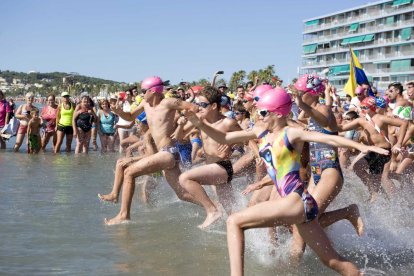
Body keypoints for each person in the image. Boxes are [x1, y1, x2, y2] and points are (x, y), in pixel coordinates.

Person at [186, 88, 387, 275]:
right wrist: (199, 123)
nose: (259, 116)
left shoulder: (290, 133)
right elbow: (224, 137)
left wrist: (361, 147)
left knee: (234, 221)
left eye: (264, 113)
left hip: (296, 201)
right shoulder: (260, 132)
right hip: (300, 205)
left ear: (279, 113)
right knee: (334, 262)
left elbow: (329, 139)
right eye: (258, 112)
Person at [102, 76, 201, 225]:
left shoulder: (168, 102)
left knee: (129, 171)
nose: (141, 94)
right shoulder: (145, 104)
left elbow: (194, 108)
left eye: (143, 91)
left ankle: (124, 214)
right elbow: (129, 117)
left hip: (169, 152)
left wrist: (183, 124)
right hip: (163, 153)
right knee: (182, 194)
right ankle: (214, 206)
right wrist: (118, 111)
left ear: (153, 91)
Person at [179, 86, 241, 228]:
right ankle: (250, 234)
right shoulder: (201, 120)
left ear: (213, 106)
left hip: (222, 168)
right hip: (211, 168)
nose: (199, 107)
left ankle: (212, 211)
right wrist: (181, 124)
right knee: (231, 212)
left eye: (203, 104)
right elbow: (181, 135)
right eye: (198, 104)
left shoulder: (228, 122)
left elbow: (246, 138)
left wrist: (231, 146)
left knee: (185, 178)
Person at [340, 96, 408, 201]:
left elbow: (403, 123)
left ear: (372, 108)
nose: (362, 109)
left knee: (384, 179)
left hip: (384, 152)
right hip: (373, 151)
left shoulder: (380, 118)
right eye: (361, 107)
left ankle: (397, 201)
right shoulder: (361, 121)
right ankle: (374, 192)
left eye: (365, 107)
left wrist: (399, 143)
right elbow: (342, 128)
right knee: (358, 168)